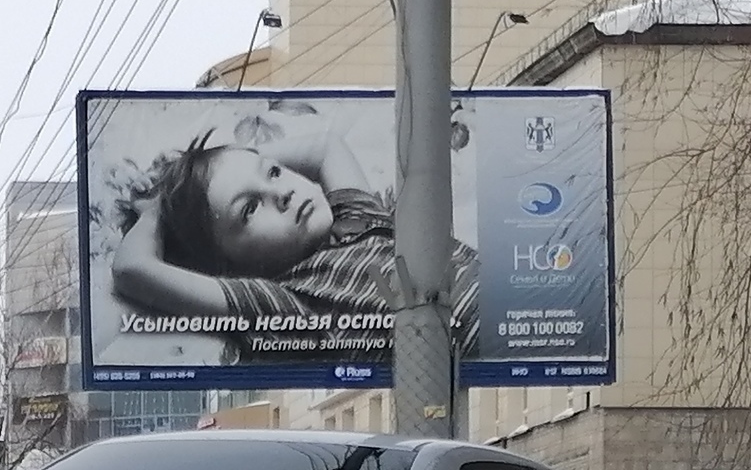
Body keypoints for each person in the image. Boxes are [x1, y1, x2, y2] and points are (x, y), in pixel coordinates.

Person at [110, 105, 479, 357]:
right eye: (250, 209)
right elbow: (131, 270)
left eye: (272, 172)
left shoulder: (356, 219)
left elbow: (324, 146)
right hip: (485, 338)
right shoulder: (286, 302)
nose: (283, 192)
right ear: (228, 269)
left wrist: (232, 161)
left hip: (521, 310)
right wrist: (158, 209)